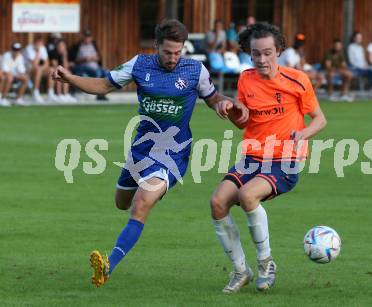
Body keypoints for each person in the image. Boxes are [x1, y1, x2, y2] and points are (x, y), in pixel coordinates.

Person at [52, 19, 248, 288]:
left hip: (172, 152)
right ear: (156, 46)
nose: (173, 58)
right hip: (141, 149)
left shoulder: (195, 71)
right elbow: (104, 84)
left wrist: (224, 104)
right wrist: (70, 78)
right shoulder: (140, 65)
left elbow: (212, 97)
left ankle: (108, 265)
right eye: (168, 52)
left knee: (140, 203)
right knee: (121, 202)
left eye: (178, 52)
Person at [210, 22, 326, 293]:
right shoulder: (245, 79)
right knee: (217, 202)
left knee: (248, 196)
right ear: (249, 54)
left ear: (279, 51)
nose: (262, 59)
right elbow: (243, 122)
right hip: (253, 157)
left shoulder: (298, 80)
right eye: (256, 53)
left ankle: (266, 264)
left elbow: (320, 119)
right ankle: (241, 271)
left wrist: (304, 134)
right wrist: (232, 111)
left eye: (268, 53)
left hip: (285, 160)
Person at [69, 29, 108, 100]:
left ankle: (101, 94)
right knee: (97, 73)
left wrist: (92, 58)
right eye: (86, 37)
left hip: (95, 66)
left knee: (107, 73)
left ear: (91, 38)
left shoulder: (93, 45)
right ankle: (97, 93)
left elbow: (99, 58)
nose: (87, 38)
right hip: (84, 67)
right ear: (83, 37)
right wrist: (84, 59)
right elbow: (74, 61)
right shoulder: (78, 46)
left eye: (89, 37)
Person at [347, 32, 372, 99]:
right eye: (358, 37)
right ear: (354, 38)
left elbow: (363, 60)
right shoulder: (351, 47)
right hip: (355, 68)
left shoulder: (361, 48)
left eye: (360, 38)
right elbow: (351, 61)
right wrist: (361, 66)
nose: (360, 39)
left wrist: (366, 65)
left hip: (363, 68)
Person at [23, 35, 50, 104]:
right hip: (27, 68)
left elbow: (47, 63)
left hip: (38, 68)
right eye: (38, 42)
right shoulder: (28, 48)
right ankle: (36, 92)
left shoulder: (42, 48)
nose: (40, 44)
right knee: (38, 70)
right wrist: (38, 53)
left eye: (41, 43)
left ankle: (51, 93)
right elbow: (34, 63)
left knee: (52, 71)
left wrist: (42, 67)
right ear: (35, 42)